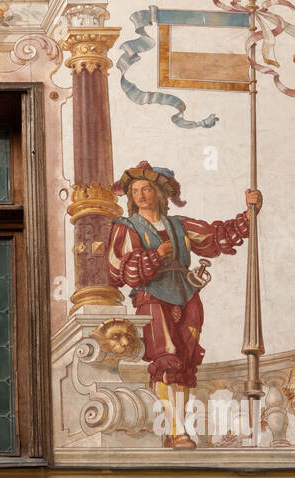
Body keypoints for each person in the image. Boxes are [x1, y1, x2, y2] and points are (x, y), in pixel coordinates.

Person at [106, 161, 261, 449]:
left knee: (184, 363)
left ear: (160, 194)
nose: (140, 195)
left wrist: (250, 212)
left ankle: (177, 429)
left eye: (146, 189)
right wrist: (154, 255)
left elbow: (216, 238)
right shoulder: (126, 228)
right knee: (167, 359)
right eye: (135, 191)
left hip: (186, 295)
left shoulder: (179, 225)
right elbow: (117, 269)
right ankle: (176, 430)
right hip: (152, 297)